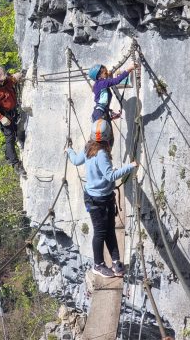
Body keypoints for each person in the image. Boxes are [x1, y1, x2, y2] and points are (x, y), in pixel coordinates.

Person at [66, 119, 138, 278]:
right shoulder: (102, 153)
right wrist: (130, 166)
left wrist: (69, 150)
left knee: (110, 230)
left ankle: (116, 261)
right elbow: (110, 175)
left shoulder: (88, 147)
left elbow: (76, 161)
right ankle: (98, 265)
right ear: (107, 136)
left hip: (98, 197)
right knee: (101, 232)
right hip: (99, 200)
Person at [0, 66, 26, 176]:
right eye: (1, 80)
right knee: (10, 137)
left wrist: (18, 76)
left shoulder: (6, 80)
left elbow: (12, 80)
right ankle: (15, 164)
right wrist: (1, 118)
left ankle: (9, 153)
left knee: (18, 131)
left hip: (13, 111)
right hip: (4, 115)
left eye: (4, 79)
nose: (3, 82)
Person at [88, 62, 137, 130]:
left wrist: (110, 117)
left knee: (107, 138)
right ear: (99, 77)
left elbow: (107, 83)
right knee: (105, 138)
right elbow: (117, 81)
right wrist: (129, 69)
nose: (107, 73)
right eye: (105, 73)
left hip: (100, 112)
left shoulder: (98, 84)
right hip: (100, 113)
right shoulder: (102, 83)